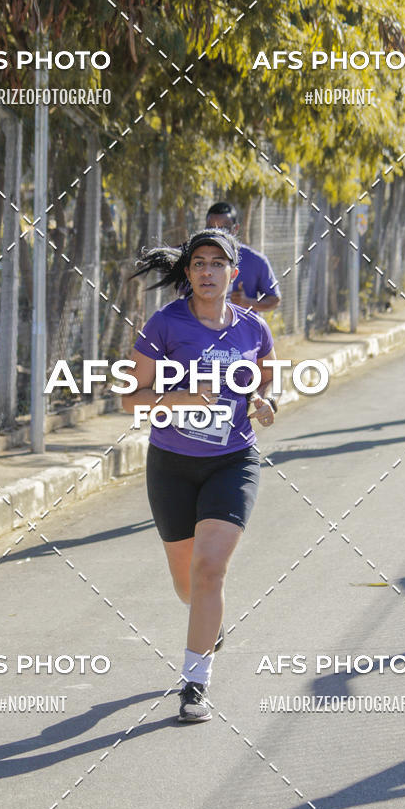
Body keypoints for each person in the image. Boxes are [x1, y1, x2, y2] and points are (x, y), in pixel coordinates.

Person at [123, 228, 277, 722]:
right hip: (171, 463)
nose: (207, 271)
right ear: (187, 273)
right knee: (188, 580)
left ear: (235, 272)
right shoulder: (164, 325)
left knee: (210, 569)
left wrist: (263, 402)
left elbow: (265, 380)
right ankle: (207, 624)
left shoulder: (253, 328)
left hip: (233, 460)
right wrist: (179, 399)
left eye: (217, 263)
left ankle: (195, 682)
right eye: (198, 264)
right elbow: (130, 398)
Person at [205, 201, 281, 312]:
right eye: (211, 229)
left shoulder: (255, 260)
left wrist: (247, 302)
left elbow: (274, 300)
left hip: (244, 328)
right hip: (203, 329)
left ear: (235, 229)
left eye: (224, 229)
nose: (217, 234)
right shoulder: (195, 261)